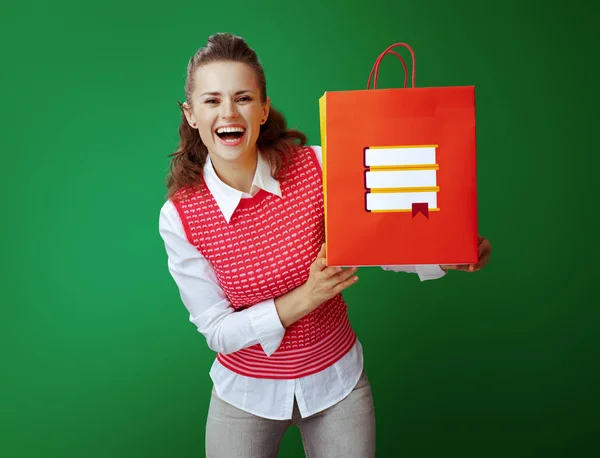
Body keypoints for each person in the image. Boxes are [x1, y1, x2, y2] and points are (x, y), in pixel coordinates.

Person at [158, 32, 492, 458]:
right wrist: (306, 296)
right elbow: (218, 331)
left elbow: (378, 239)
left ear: (262, 109)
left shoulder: (316, 165)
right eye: (212, 100)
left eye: (243, 98)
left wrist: (443, 255)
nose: (229, 112)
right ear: (190, 114)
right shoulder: (180, 216)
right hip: (245, 395)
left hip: (337, 383)